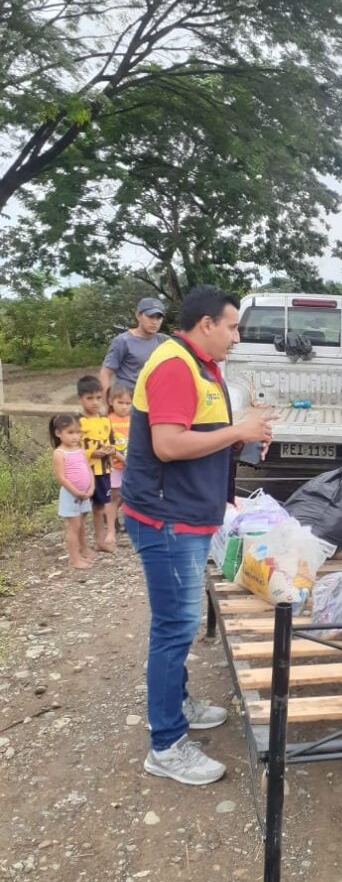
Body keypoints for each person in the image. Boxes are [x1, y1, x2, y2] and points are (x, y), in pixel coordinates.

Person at [121, 284, 275, 787]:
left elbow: (201, 437)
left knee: (178, 624)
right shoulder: (173, 364)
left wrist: (245, 441)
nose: (236, 335)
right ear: (205, 325)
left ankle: (178, 703)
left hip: (188, 514)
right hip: (166, 520)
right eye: (231, 326)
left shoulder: (203, 367)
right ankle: (165, 744)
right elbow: (167, 445)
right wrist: (239, 432)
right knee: (175, 626)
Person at [50, 414, 95, 570]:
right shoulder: (59, 453)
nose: (75, 436)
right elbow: (61, 478)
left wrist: (92, 487)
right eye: (70, 432)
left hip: (84, 493)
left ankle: (84, 549)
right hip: (72, 495)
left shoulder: (79, 449)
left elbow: (88, 468)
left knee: (82, 523)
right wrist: (76, 492)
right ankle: (74, 559)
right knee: (73, 526)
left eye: (78, 432)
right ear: (58, 433)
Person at [77, 375, 116, 553]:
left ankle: (100, 541)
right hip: (85, 472)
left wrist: (110, 450)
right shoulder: (77, 422)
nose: (95, 402)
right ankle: (81, 546)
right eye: (89, 398)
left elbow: (113, 443)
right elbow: (72, 449)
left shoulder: (106, 421)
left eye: (98, 398)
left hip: (103, 470)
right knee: (82, 509)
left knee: (100, 506)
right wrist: (91, 453)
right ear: (80, 399)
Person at [99, 297, 168, 397]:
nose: (154, 322)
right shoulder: (122, 341)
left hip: (154, 400)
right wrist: (108, 404)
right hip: (127, 403)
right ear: (138, 315)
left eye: (158, 318)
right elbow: (105, 373)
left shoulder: (165, 341)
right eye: (150, 316)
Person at [107, 382, 132, 533]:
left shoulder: (133, 419)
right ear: (111, 402)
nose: (124, 407)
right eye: (120, 402)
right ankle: (113, 522)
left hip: (130, 464)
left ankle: (126, 521)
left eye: (128, 403)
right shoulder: (108, 421)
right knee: (115, 495)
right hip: (114, 464)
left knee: (127, 493)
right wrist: (121, 458)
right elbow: (107, 445)